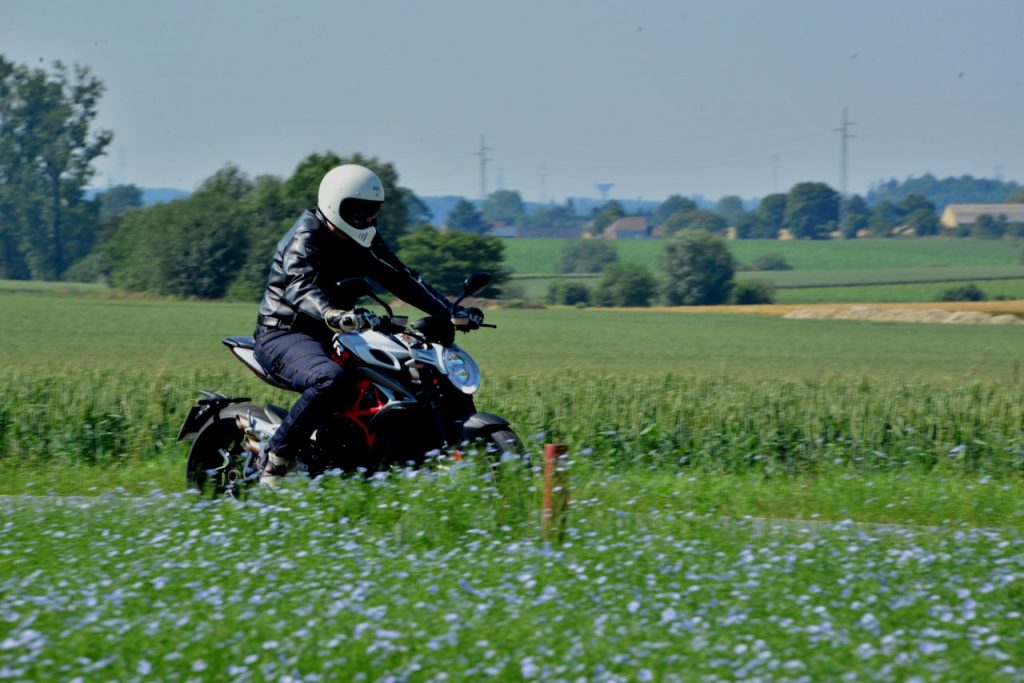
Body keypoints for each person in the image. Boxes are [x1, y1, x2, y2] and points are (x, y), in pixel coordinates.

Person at [252, 163, 481, 486]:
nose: (366, 218)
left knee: (405, 374)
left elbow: (402, 278)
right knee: (328, 379)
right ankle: (276, 456)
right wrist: (330, 312)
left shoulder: (363, 238)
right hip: (286, 332)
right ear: (335, 204)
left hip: (341, 331)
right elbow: (299, 285)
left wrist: (449, 310)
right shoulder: (306, 236)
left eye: (372, 211)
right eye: (358, 210)